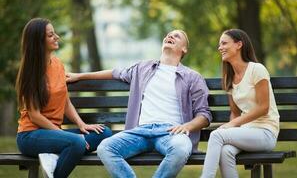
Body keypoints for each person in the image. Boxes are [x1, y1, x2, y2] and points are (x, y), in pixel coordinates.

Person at [66, 29, 212, 178]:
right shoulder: (143, 68)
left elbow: (204, 115)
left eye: (177, 36)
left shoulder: (193, 77)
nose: (170, 36)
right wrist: (80, 75)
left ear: (184, 49)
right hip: (140, 132)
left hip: (171, 133)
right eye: (168, 34)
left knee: (181, 148)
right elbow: (115, 73)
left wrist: (186, 127)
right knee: (105, 147)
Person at [15, 18, 112, 178]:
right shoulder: (30, 72)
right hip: (31, 136)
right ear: (39, 41)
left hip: (54, 134)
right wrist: (67, 136)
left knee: (104, 133)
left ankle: (56, 153)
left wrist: (82, 125)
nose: (57, 37)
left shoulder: (57, 64)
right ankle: (63, 150)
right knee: (77, 142)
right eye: (51, 35)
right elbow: (35, 116)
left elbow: (65, 102)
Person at [200, 29, 280, 178]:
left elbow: (264, 107)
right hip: (246, 132)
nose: (220, 47)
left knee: (217, 135)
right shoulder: (229, 77)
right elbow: (235, 113)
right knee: (225, 151)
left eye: (224, 43)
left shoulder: (257, 69)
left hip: (266, 132)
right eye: (219, 44)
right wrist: (232, 128)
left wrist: (230, 127)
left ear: (239, 45)